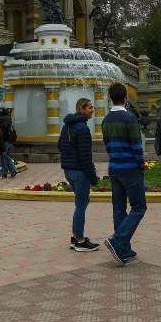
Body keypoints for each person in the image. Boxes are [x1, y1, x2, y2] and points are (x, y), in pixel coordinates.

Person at [101, 82, 146, 267]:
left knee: (119, 208)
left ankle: (124, 249)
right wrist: (141, 162)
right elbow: (136, 144)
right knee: (139, 207)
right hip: (130, 168)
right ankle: (118, 240)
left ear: (111, 97)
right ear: (125, 97)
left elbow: (106, 143)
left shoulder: (105, 120)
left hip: (115, 167)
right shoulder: (129, 118)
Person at [59, 98, 100, 252]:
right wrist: (93, 177)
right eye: (90, 108)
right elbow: (85, 156)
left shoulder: (67, 126)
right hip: (79, 171)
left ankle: (76, 237)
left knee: (80, 203)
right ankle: (80, 240)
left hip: (68, 170)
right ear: (81, 109)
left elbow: (60, 145)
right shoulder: (82, 128)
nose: (92, 110)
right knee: (81, 205)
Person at [0, 109, 18, 178]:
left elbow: (2, 133)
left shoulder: (1, 120)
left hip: (5, 141)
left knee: (4, 156)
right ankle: (5, 172)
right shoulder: (10, 119)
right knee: (5, 156)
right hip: (10, 141)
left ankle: (12, 170)